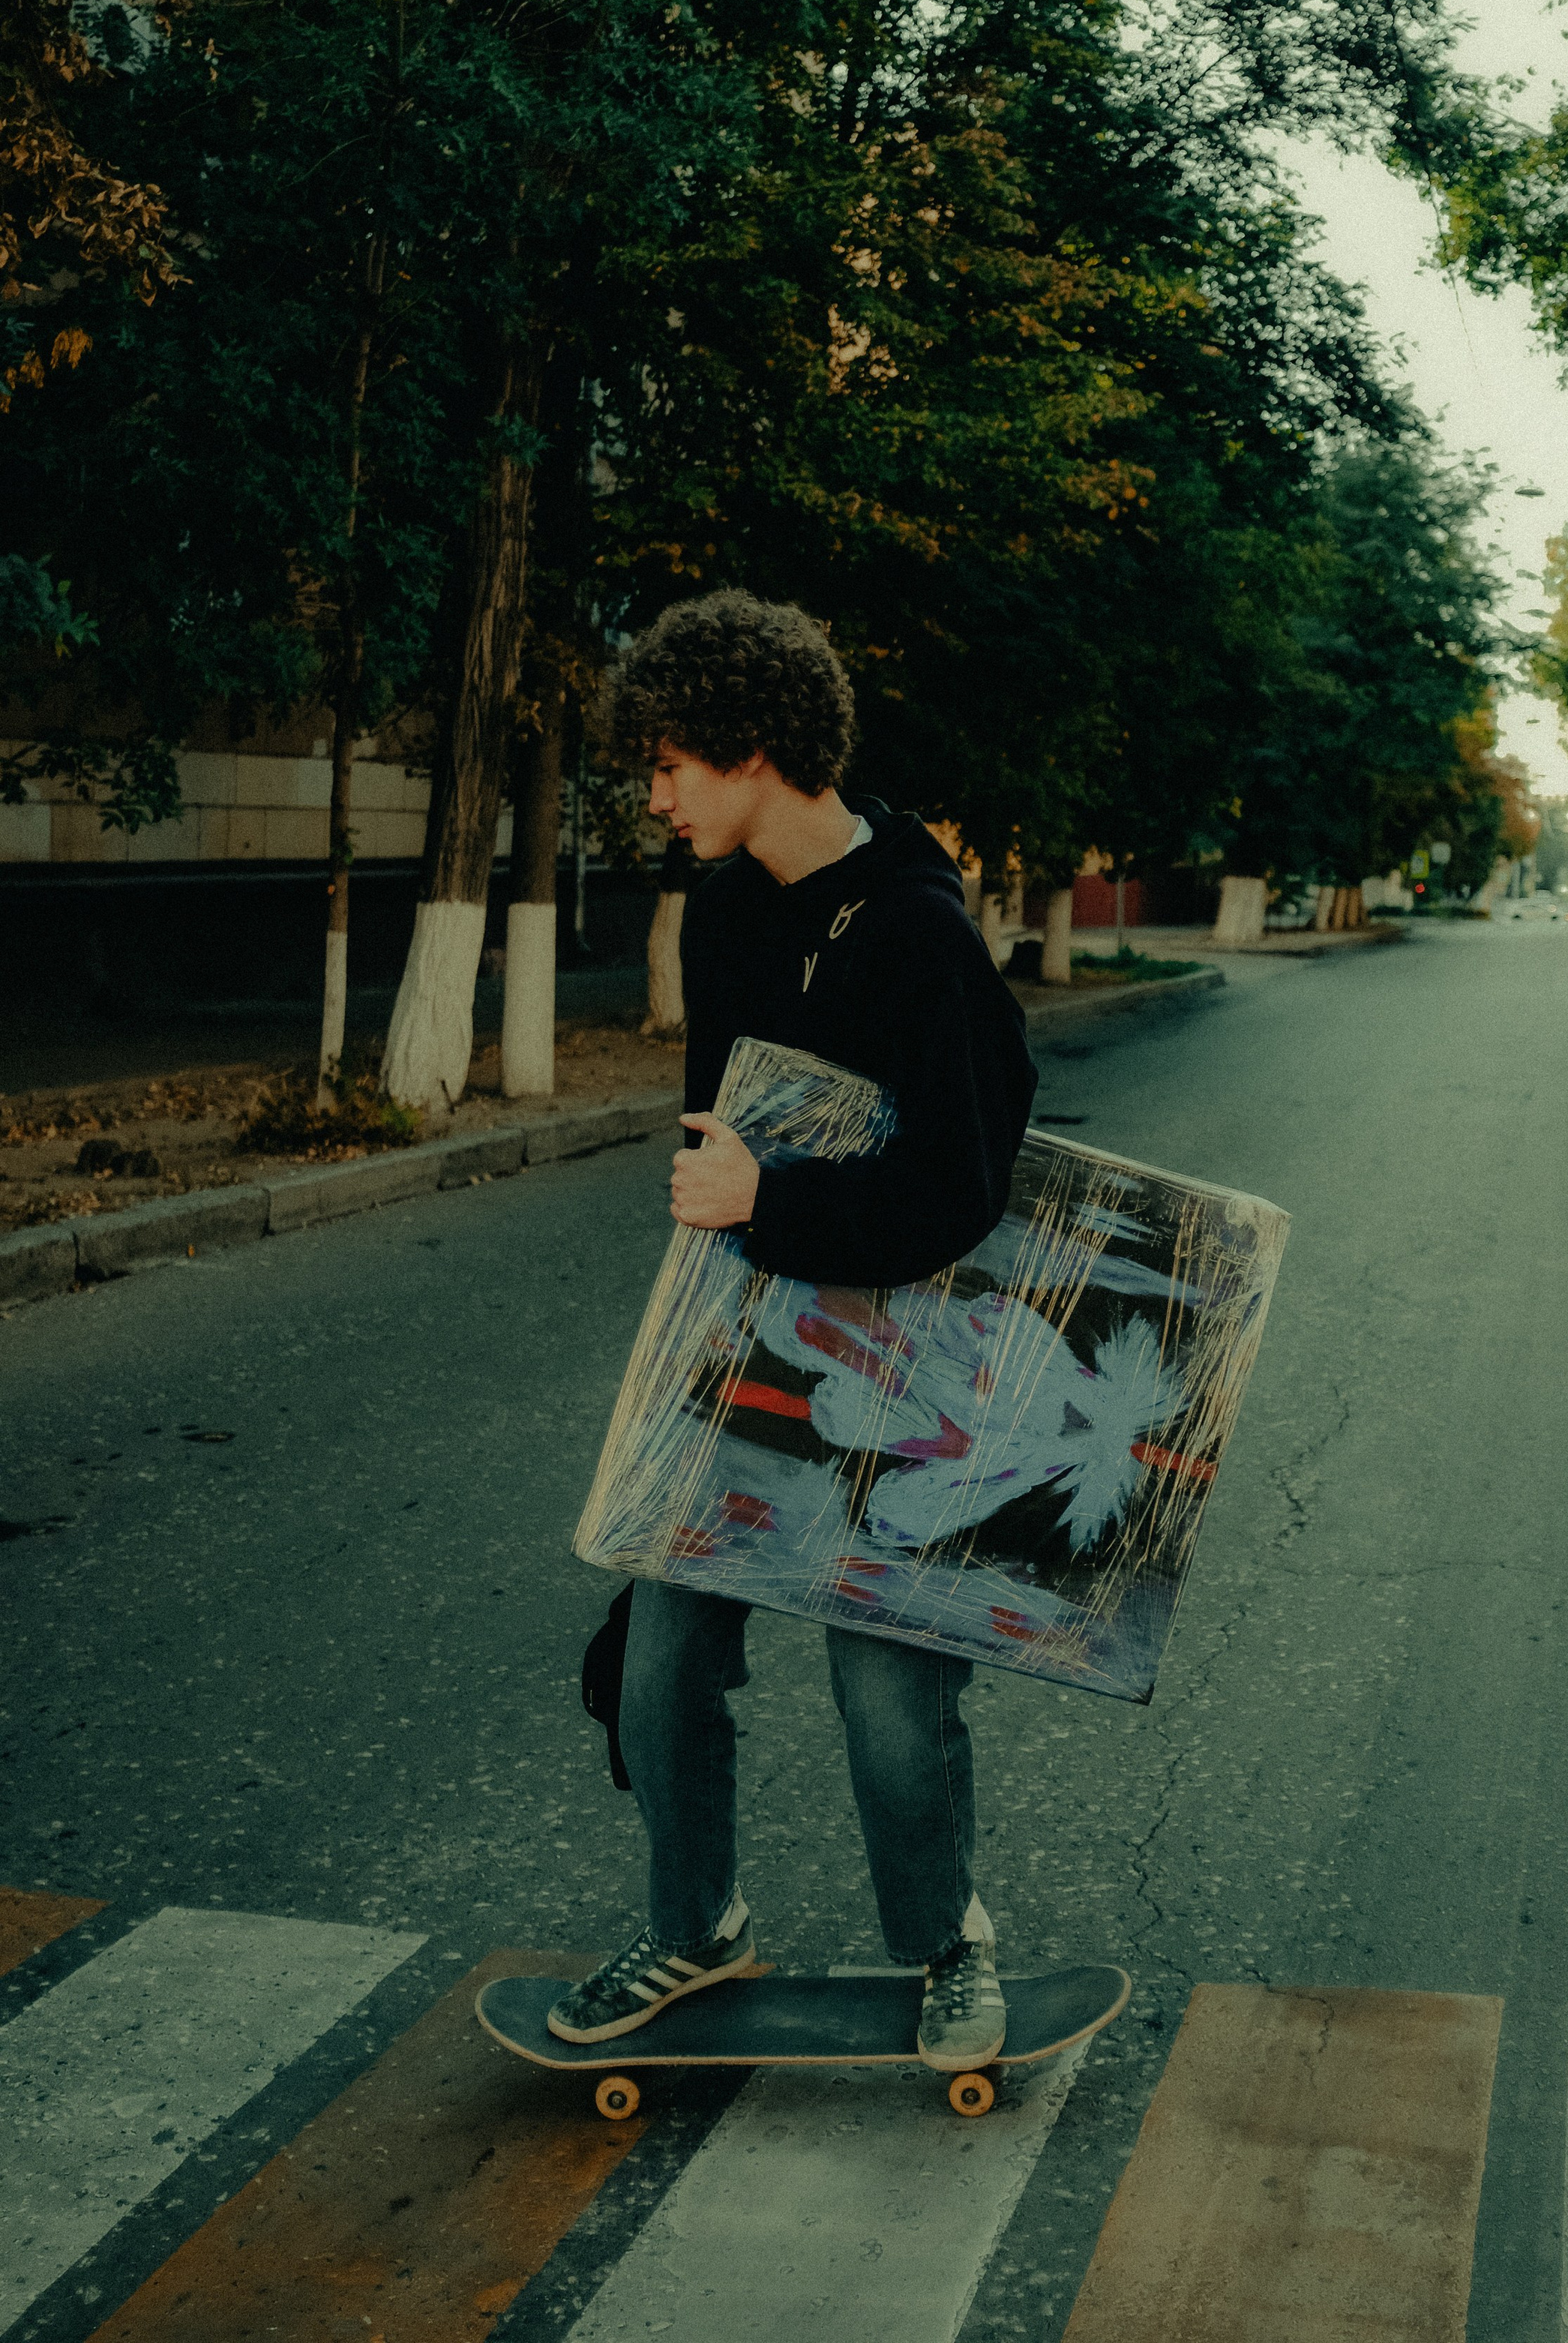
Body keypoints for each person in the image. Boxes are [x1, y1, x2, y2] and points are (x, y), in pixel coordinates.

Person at [546, 590, 1038, 2074]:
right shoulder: (727, 908)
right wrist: (722, 1239)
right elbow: (728, 1135)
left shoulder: (917, 931)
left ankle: (948, 1942)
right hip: (746, 1345)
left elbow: (955, 1187)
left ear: (753, 748)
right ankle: (697, 1927)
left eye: (670, 762)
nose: (652, 793)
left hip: (896, 1368)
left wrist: (769, 1195)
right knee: (658, 1662)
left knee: (886, 1695)